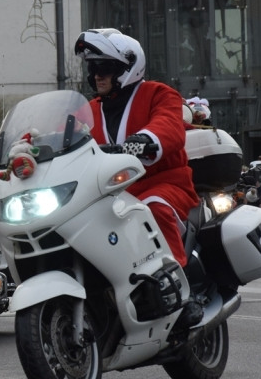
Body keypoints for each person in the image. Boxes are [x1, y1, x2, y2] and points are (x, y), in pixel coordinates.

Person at [74, 28, 201, 328]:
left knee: (153, 209)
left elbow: (169, 125)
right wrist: (23, 147)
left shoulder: (158, 94)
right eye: (93, 69)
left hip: (164, 184)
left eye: (105, 68)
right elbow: (61, 135)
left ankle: (184, 296)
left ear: (128, 68)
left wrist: (145, 139)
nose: (97, 76)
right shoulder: (89, 110)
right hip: (111, 195)